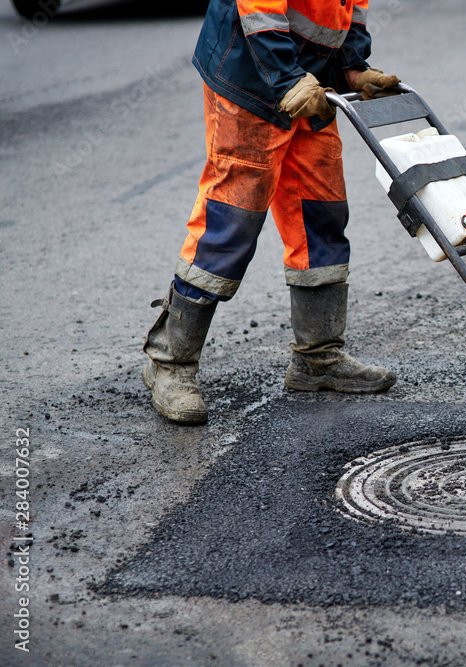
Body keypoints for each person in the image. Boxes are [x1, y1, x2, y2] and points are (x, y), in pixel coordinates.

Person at [142, 0, 400, 424]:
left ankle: (318, 359)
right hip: (252, 78)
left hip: (309, 83)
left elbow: (349, 9)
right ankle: (169, 363)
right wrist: (286, 80)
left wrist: (353, 66)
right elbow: (259, 11)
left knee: (321, 212)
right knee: (231, 220)